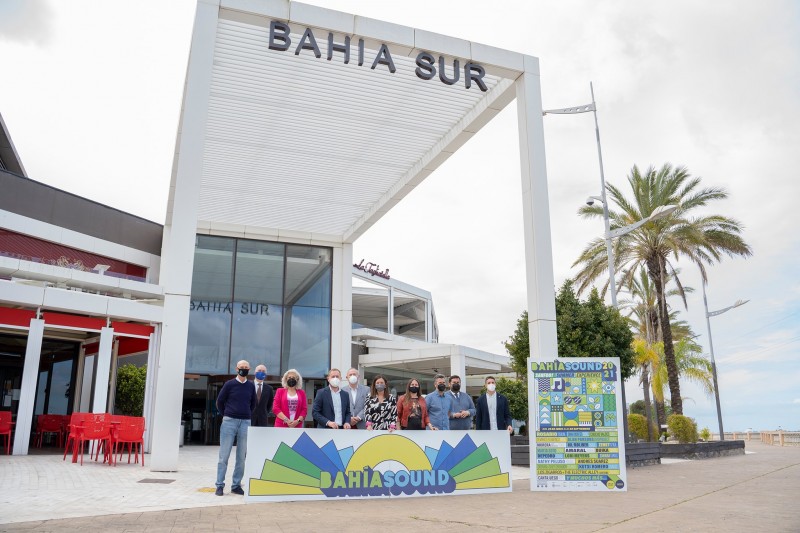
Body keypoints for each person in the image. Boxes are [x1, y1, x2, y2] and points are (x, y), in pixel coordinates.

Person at [215, 360, 256, 496]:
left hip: (245, 422)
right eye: (241, 367)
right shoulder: (229, 384)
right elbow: (220, 401)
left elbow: (253, 404)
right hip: (229, 421)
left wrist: (246, 414)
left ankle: (236, 485)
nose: (243, 369)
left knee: (241, 456)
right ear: (236, 369)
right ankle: (219, 485)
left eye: (246, 367)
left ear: (249, 369)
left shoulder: (250, 386)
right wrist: (227, 414)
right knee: (224, 455)